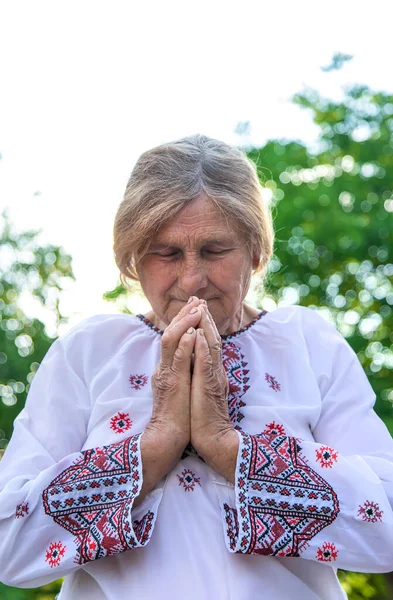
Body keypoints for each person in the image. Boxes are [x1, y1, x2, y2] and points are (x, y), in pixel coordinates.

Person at [0, 134, 393, 600]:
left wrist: (229, 449)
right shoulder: (88, 352)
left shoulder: (308, 344)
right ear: (132, 259)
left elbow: (385, 529)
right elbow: (10, 546)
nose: (192, 279)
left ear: (255, 251)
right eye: (166, 253)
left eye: (214, 250)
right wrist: (156, 444)